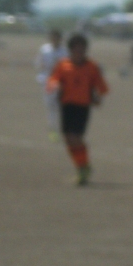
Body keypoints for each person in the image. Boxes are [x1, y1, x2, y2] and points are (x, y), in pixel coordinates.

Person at [47, 34, 109, 186]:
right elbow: (53, 79)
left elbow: (101, 86)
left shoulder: (92, 67)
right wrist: (55, 86)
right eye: (76, 50)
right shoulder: (63, 65)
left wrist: (99, 96)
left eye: (82, 50)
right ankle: (81, 166)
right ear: (71, 50)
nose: (79, 53)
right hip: (67, 105)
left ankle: (84, 167)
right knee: (68, 138)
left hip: (82, 106)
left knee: (76, 137)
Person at [35, 29, 67, 141]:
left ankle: (63, 129)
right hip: (48, 82)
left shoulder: (65, 51)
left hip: (62, 83)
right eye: (52, 37)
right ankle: (53, 130)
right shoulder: (45, 50)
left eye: (56, 37)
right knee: (51, 107)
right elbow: (38, 63)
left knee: (62, 107)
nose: (54, 40)